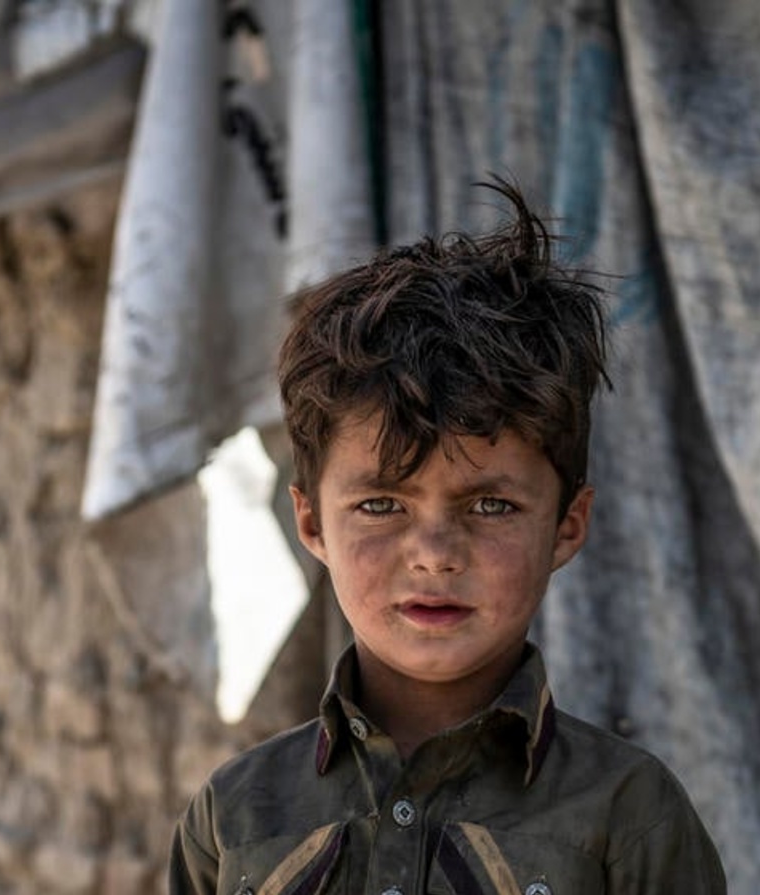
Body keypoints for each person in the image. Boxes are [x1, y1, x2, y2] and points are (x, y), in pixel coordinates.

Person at [168, 182, 727, 894]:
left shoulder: (628, 815)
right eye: (380, 505)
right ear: (311, 523)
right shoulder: (236, 817)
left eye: (490, 504)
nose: (434, 552)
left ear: (567, 525)